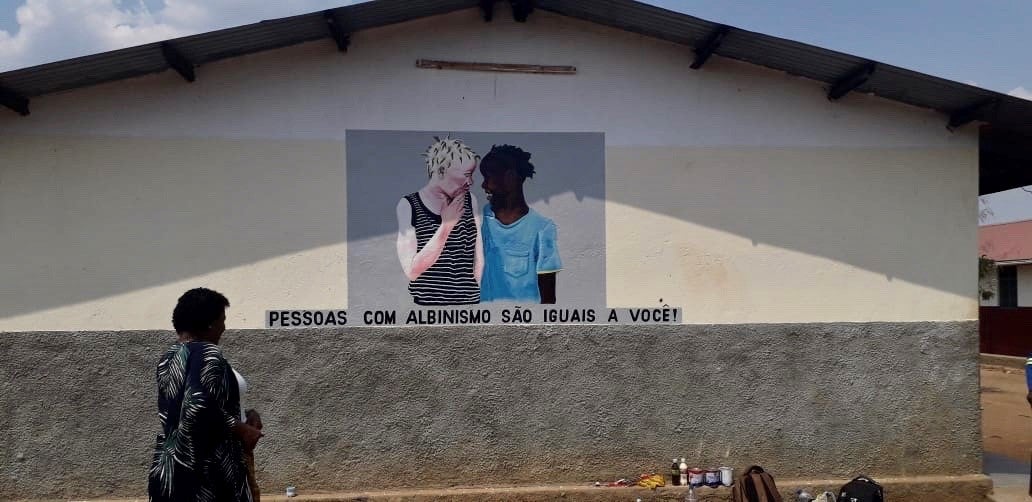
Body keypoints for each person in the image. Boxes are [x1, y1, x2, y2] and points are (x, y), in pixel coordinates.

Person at [148, 287, 262, 502]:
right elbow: (196, 406)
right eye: (222, 320)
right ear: (209, 323)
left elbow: (186, 407)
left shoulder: (169, 358)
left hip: (173, 471)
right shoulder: (208, 353)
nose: (224, 328)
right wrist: (241, 429)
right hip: (209, 474)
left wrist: (245, 414)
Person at [395, 136, 484, 305]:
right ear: (442, 171)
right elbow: (412, 271)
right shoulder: (409, 205)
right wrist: (446, 226)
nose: (470, 182)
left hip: (469, 304)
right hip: (428, 306)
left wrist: (477, 291)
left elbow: (478, 255)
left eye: (472, 175)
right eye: (466, 175)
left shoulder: (469, 200)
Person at [478, 144, 562, 304]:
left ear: (509, 178)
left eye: (488, 177)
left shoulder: (542, 229)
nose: (484, 185)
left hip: (523, 319)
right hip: (485, 318)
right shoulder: (485, 217)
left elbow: (548, 298)